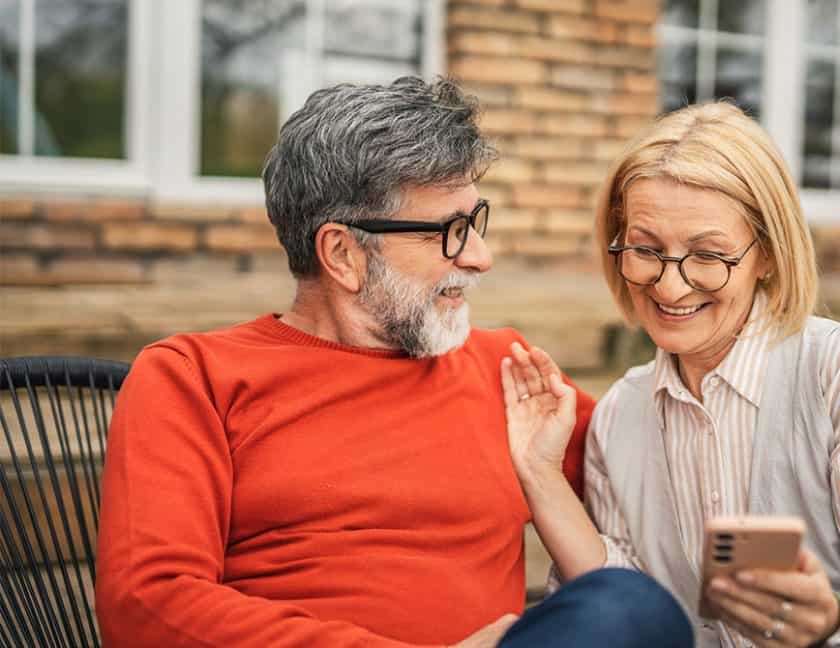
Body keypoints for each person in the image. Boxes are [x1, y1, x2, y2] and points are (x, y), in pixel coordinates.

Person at [95, 77, 694, 648]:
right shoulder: (194, 378)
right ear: (343, 252)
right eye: (450, 231)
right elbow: (147, 607)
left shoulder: (506, 372)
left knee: (627, 610)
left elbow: (673, 465)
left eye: (476, 222)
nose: (480, 257)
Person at [501, 101, 840, 647]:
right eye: (646, 250)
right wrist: (540, 472)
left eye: (708, 255)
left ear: (767, 255)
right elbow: (626, 602)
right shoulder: (622, 411)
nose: (669, 288)